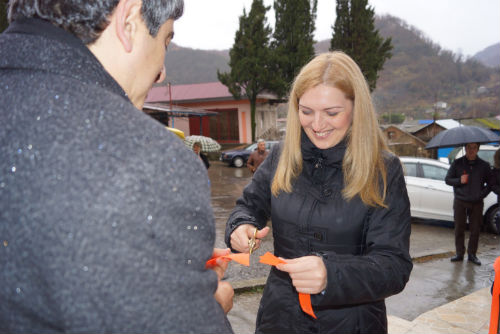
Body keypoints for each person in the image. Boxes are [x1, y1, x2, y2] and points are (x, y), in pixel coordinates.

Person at [0, 1, 233, 332]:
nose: (162, 70)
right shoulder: (149, 161)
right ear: (129, 22)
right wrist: (211, 307)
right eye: (166, 39)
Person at [225, 52, 412, 333]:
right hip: (279, 318)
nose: (317, 124)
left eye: (332, 113)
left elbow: (393, 266)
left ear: (356, 107)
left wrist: (331, 275)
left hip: (353, 323)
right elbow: (248, 206)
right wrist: (241, 226)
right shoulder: (281, 156)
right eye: (306, 111)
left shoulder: (383, 170)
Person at [445, 143, 492, 266]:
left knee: (475, 229)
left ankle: (472, 254)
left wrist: (481, 195)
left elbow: (491, 183)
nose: (471, 150)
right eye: (469, 148)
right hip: (460, 200)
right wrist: (459, 181)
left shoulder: (484, 165)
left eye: (474, 148)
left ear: (478, 149)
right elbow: (447, 179)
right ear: (465, 149)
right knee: (459, 228)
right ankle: (459, 253)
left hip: (477, 202)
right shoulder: (457, 163)